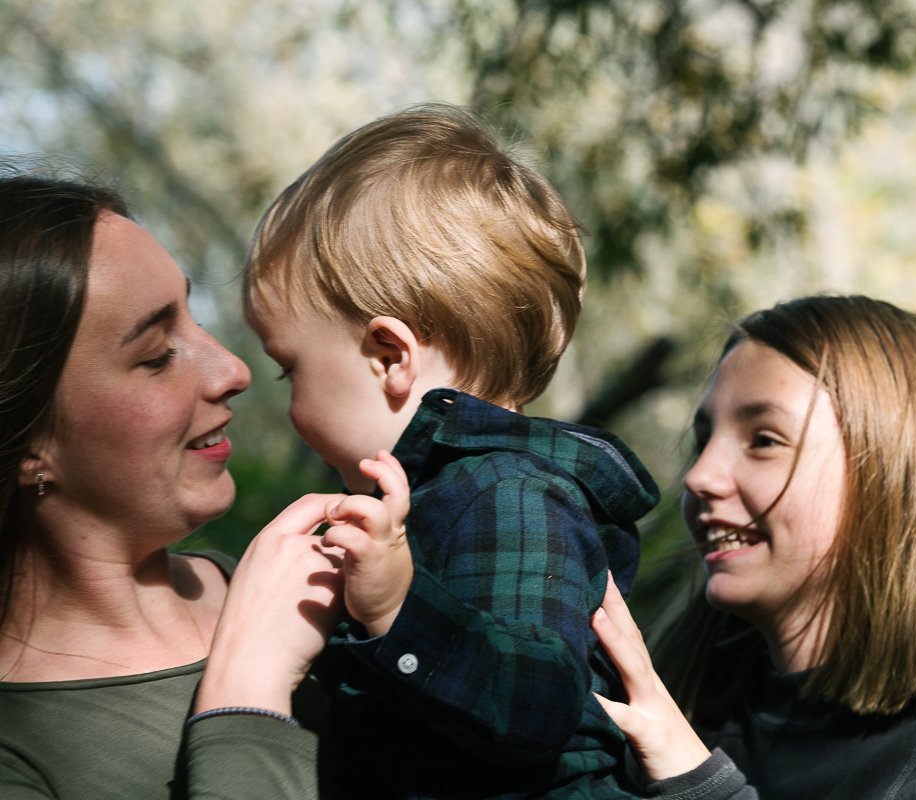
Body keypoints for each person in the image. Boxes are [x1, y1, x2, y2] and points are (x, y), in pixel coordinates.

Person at [242, 103, 661, 797]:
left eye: (291, 369)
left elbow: (539, 703)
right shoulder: (433, 499)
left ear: (389, 356)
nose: (291, 406)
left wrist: (398, 609)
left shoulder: (509, 493)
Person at [591, 295, 916, 799]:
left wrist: (696, 785)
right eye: (703, 440)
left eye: (763, 440)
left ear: (896, 477)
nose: (699, 476)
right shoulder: (686, 718)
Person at [0, 164, 348, 799]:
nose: (234, 370)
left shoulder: (288, 589)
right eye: (158, 355)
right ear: (29, 443)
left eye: (193, 316)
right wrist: (249, 694)